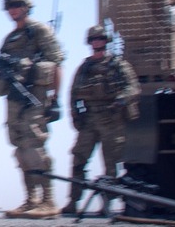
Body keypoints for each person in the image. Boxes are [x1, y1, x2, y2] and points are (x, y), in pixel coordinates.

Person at [0, 0, 64, 219]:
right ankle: (31, 199)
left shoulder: (39, 31)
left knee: (34, 145)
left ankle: (48, 200)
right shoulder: (9, 39)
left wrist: (55, 100)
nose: (13, 9)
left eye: (17, 4)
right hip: (14, 100)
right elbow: (1, 70)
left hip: (35, 96)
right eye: (9, 6)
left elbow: (56, 64)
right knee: (19, 148)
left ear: (27, 6)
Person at [62, 25, 140, 215]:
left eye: (100, 38)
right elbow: (73, 95)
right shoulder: (84, 68)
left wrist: (121, 101)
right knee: (78, 160)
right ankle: (73, 202)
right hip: (89, 121)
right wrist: (76, 117)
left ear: (106, 41)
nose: (97, 42)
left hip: (111, 120)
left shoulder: (119, 65)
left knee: (110, 165)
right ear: (89, 42)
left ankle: (106, 204)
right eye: (93, 39)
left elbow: (133, 88)